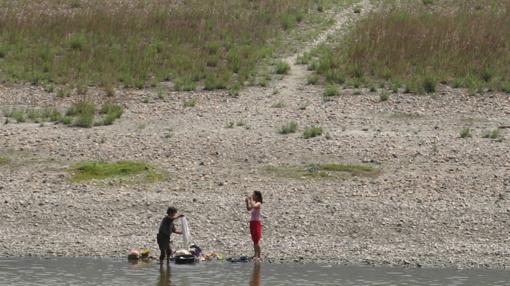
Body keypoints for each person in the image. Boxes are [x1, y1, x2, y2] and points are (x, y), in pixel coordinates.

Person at [245, 191, 263, 260]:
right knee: (254, 239)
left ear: (257, 196)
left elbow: (253, 206)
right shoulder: (254, 203)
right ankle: (255, 254)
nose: (252, 196)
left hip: (256, 222)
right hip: (252, 222)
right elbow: (249, 208)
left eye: (254, 195)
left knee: (256, 240)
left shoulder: (258, 203)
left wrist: (251, 199)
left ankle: (259, 256)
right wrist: (247, 202)